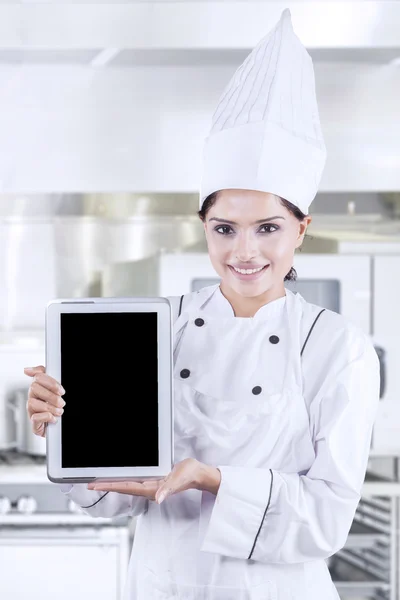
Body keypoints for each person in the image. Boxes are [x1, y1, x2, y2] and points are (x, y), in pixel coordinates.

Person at [24, 9, 380, 600]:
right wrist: (66, 434)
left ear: (302, 228)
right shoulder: (153, 328)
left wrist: (213, 480)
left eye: (267, 228)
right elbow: (109, 500)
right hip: (162, 585)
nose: (244, 252)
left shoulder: (337, 348)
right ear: (203, 228)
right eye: (224, 229)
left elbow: (327, 518)